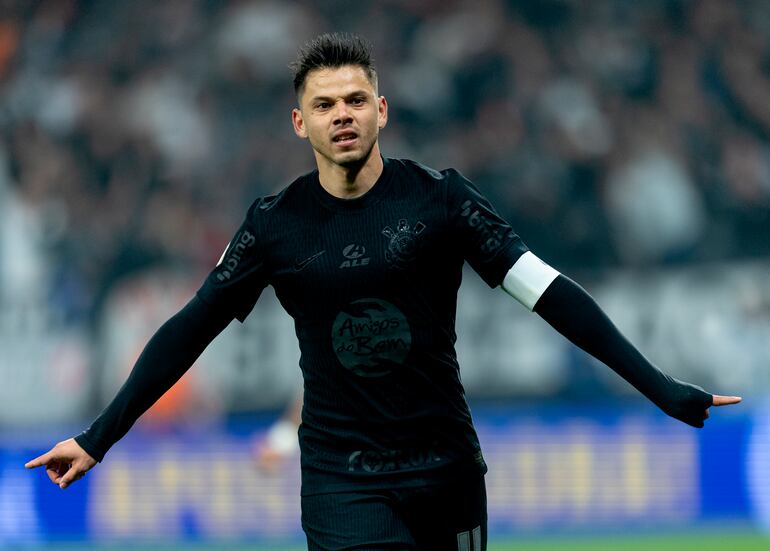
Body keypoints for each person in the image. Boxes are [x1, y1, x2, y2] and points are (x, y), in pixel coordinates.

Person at [26, 33, 741, 551]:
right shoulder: (275, 226)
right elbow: (190, 328)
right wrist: (99, 436)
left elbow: (551, 293)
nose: (343, 113)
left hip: (447, 473)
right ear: (300, 122)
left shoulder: (442, 201)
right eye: (326, 103)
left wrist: (659, 386)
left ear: (382, 111)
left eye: (357, 99)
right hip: (342, 482)